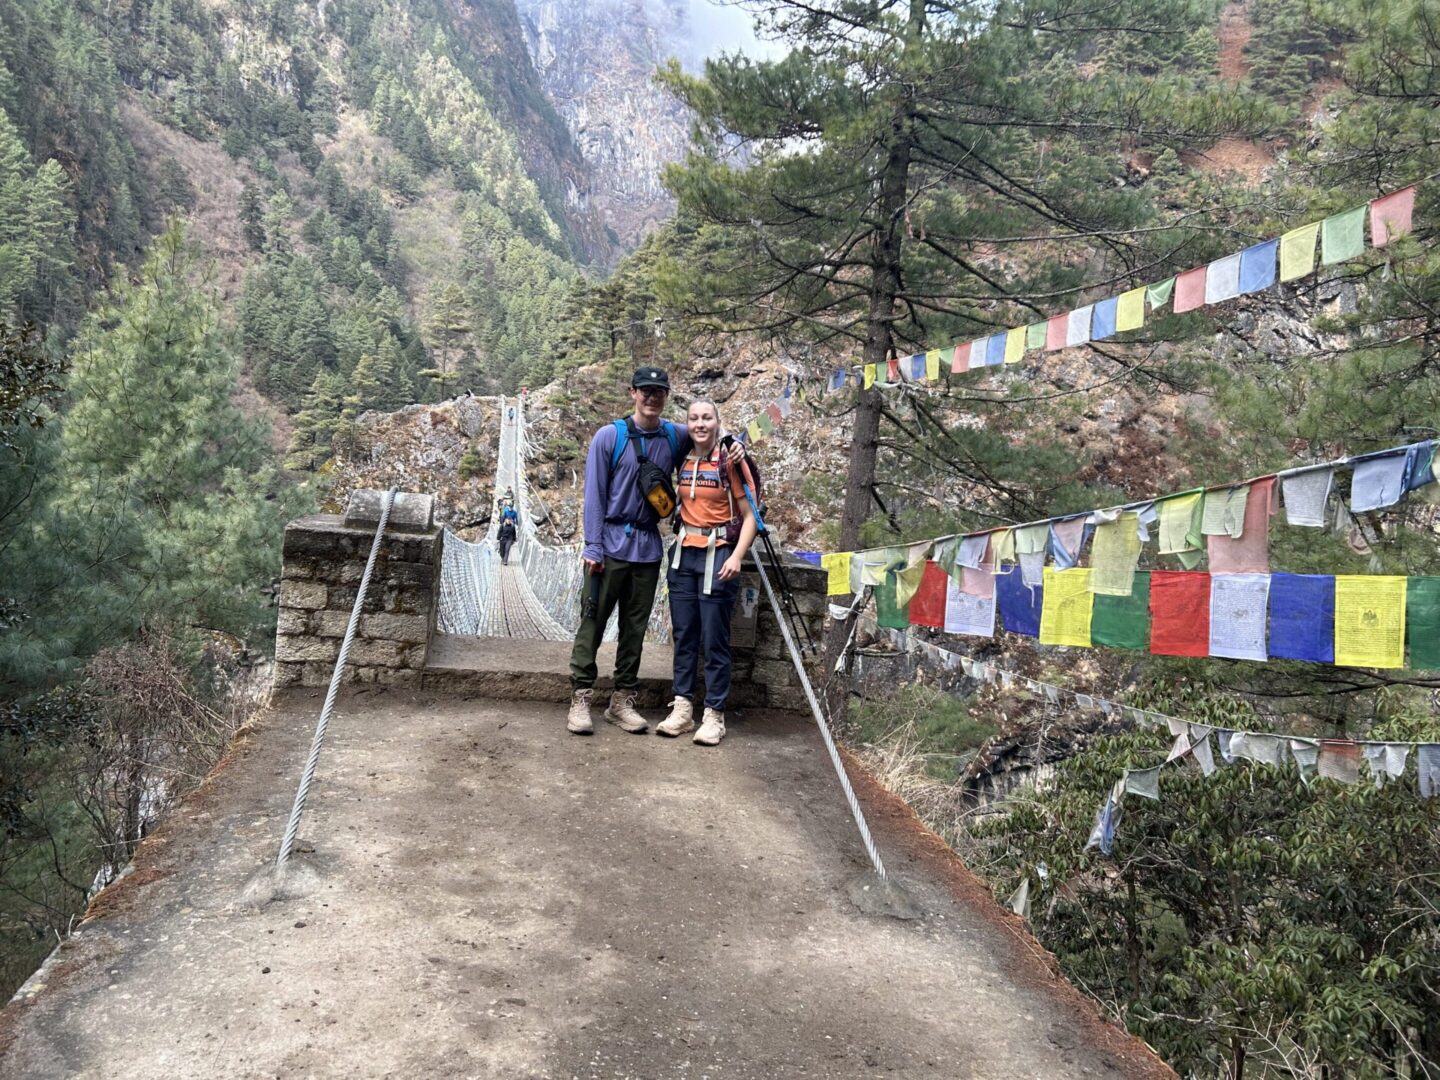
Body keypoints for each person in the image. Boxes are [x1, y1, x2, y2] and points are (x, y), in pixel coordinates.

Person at [566, 367, 744, 736]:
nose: (651, 397)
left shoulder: (672, 435)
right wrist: (592, 546)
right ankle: (581, 697)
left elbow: (705, 434)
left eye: (658, 392)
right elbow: (594, 495)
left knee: (635, 627)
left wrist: (733, 440)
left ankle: (621, 701)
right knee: (593, 620)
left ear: (665, 396)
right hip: (610, 545)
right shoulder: (608, 437)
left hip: (647, 548)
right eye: (645, 391)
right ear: (632, 392)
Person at [655, 400, 757, 746]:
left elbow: (749, 516)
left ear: (718, 422)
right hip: (684, 556)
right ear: (688, 424)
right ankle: (682, 708)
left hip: (719, 557)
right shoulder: (683, 456)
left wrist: (738, 556)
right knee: (684, 635)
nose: (700, 424)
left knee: (714, 639)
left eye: (707, 418)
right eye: (694, 418)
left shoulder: (730, 460)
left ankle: (714, 714)